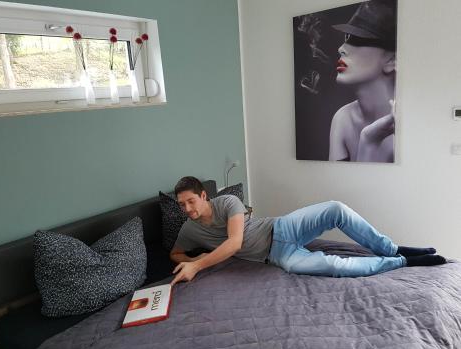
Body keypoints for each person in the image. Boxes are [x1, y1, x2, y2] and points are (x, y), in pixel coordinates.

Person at [170, 176, 446, 285]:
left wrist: (199, 265)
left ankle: (392, 248)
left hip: (282, 226)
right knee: (336, 265)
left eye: (191, 201)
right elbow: (175, 253)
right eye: (182, 205)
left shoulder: (228, 202)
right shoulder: (188, 229)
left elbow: (234, 243)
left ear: (204, 196)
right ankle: (403, 261)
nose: (188, 209)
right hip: (277, 256)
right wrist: (190, 261)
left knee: (336, 208)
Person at [329, 0, 397, 162]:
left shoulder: (409, 125)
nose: (341, 49)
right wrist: (368, 141)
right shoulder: (343, 118)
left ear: (391, 60)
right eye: (347, 37)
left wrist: (369, 141)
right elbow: (339, 183)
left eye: (358, 39)